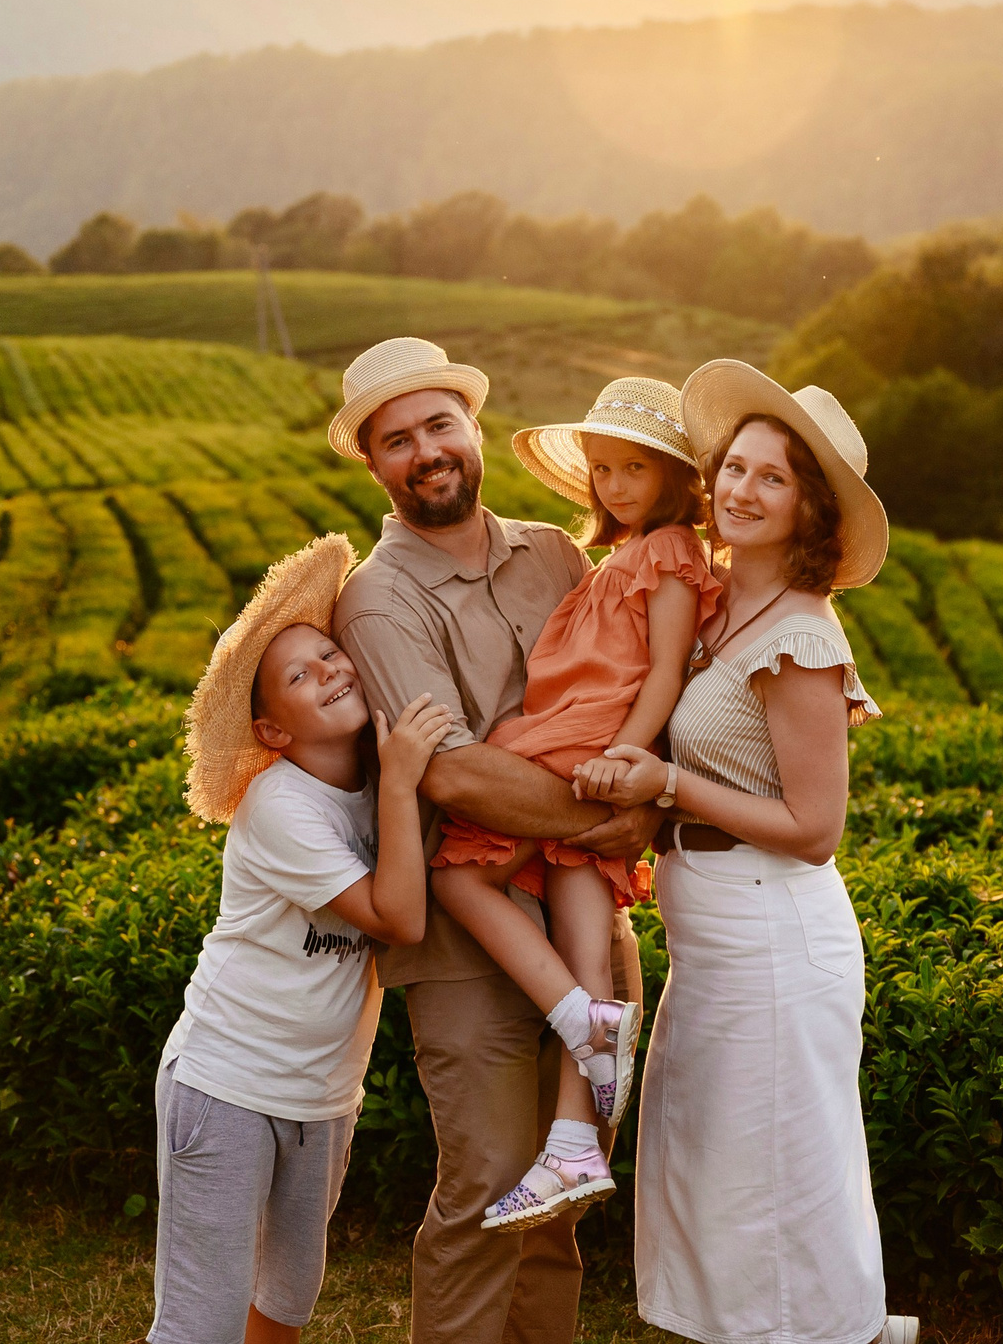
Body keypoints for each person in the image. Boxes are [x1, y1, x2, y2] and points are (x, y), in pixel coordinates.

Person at [574, 362, 919, 1344]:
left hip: (774, 927)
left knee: (770, 1176)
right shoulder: (715, 602)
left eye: (774, 477)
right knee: (715, 1164)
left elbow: (815, 830)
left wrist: (667, 786)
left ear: (809, 507)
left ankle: (825, 1331)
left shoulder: (803, 637)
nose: (741, 489)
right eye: (734, 467)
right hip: (715, 928)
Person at [324, 337, 661, 1344]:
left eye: (438, 424)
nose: (424, 449)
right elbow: (454, 771)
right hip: (470, 943)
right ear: (374, 464)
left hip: (590, 924)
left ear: (472, 430)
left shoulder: (558, 554)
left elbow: (621, 696)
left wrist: (648, 787)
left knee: (558, 1203)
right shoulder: (379, 600)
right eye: (396, 439)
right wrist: (621, 817)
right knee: (483, 1192)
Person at [429, 377, 722, 1232]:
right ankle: (573, 1142)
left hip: (588, 738)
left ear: (674, 476)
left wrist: (627, 752)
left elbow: (665, 667)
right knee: (578, 916)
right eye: (603, 468)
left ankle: (575, 1018)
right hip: (576, 732)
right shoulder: (618, 554)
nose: (618, 485)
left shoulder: (670, 550)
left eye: (636, 466)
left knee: (458, 874)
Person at [149, 532, 458, 1344]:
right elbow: (400, 919)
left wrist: (396, 780)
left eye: (330, 653)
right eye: (299, 674)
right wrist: (400, 779)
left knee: (286, 1301)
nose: (328, 670)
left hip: (323, 1096)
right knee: (202, 1321)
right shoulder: (281, 805)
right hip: (229, 1084)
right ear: (273, 730)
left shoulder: (375, 778)